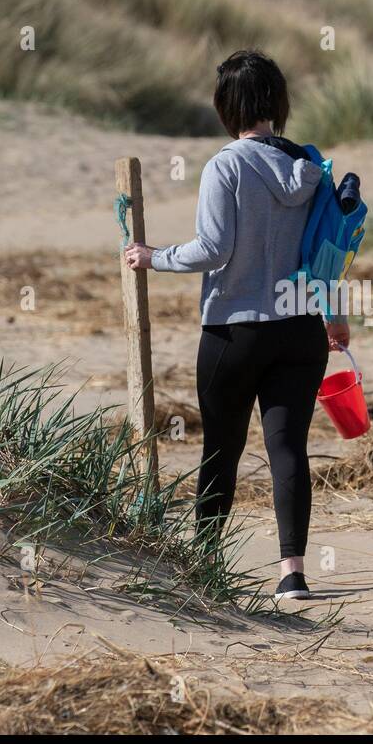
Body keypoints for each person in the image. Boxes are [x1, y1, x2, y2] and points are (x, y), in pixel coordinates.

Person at [124, 50, 349, 601]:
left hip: (235, 328)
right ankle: (292, 573)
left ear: (227, 106)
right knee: (288, 447)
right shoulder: (313, 168)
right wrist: (337, 316)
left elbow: (213, 249)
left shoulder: (225, 166)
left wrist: (153, 257)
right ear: (278, 102)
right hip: (300, 327)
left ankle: (203, 563)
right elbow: (330, 251)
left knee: (221, 448)